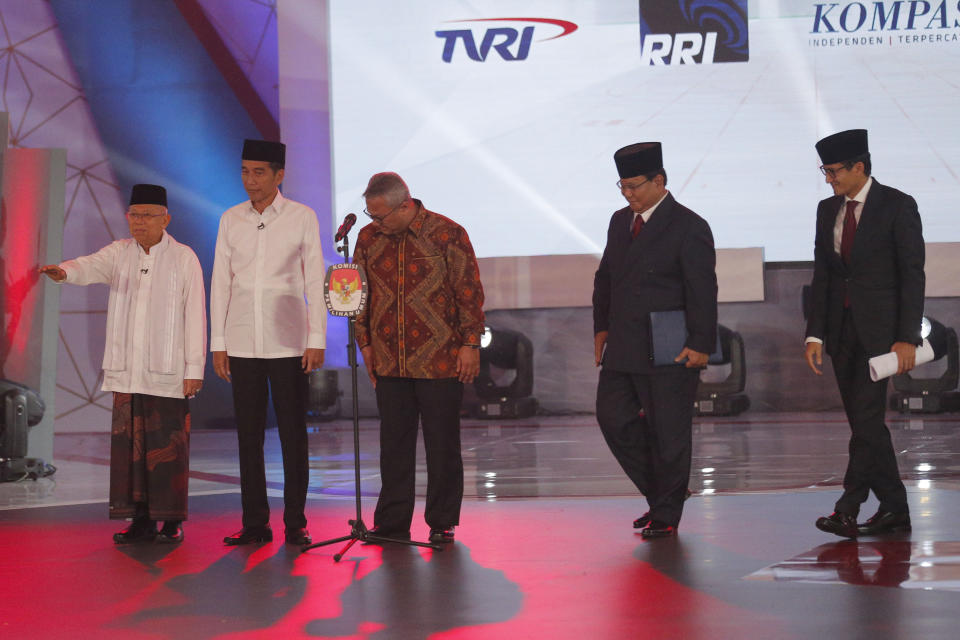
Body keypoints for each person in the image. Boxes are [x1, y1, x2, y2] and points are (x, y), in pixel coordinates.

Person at [40, 184, 206, 544]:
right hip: (128, 372)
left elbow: (195, 316)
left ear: (166, 218)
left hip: (167, 373)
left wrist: (194, 369)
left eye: (148, 215)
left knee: (168, 448)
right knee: (130, 451)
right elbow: (89, 266)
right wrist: (65, 271)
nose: (139, 222)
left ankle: (171, 520)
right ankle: (140, 520)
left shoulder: (183, 258)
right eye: (134, 215)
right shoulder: (120, 253)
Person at [593, 142, 718, 539]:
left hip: (670, 344)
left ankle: (666, 510)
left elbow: (702, 289)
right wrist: (600, 329)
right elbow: (606, 278)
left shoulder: (689, 225)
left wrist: (701, 342)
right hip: (624, 344)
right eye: (622, 187)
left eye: (634, 187)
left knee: (670, 431)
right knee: (612, 418)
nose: (628, 195)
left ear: (659, 180)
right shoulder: (618, 221)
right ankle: (663, 493)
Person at [805, 129, 924, 538]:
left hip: (882, 336)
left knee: (868, 419)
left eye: (834, 171)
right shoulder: (826, 210)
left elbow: (912, 276)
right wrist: (815, 334)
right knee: (865, 424)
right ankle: (894, 506)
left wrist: (907, 336)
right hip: (840, 334)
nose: (828, 179)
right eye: (824, 171)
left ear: (860, 167)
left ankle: (848, 507)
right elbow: (823, 276)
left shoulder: (898, 205)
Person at [354, 172, 485, 544]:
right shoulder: (367, 238)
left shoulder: (447, 233)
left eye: (381, 216)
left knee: (442, 443)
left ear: (406, 205)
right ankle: (391, 522)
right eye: (370, 216)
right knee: (393, 444)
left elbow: (469, 292)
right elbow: (359, 295)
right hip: (388, 359)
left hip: (440, 358)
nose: (376, 223)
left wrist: (470, 344)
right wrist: (364, 342)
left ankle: (442, 521)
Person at [211, 139, 326, 546]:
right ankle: (255, 522)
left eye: (259, 172)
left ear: (279, 175)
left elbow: (315, 278)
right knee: (248, 435)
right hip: (243, 341)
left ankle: (296, 521)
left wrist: (316, 337)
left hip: (289, 341)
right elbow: (220, 282)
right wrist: (218, 342)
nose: (250, 180)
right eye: (244, 171)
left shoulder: (301, 217)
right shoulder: (230, 219)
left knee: (294, 434)